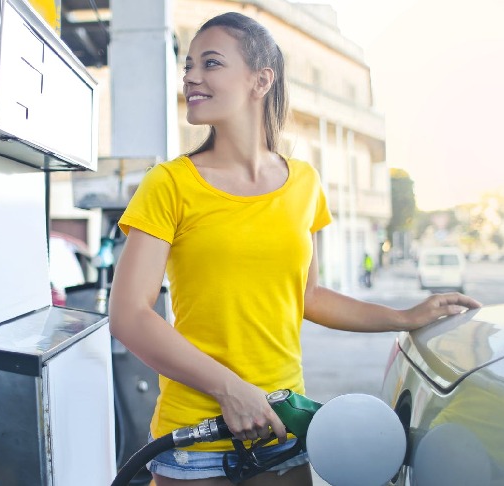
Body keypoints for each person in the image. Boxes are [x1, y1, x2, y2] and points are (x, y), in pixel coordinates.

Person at [108, 11, 481, 485]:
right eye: (188, 66)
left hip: (281, 431)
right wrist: (229, 389)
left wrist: (405, 317)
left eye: (211, 63)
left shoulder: (304, 184)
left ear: (260, 80)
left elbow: (308, 297)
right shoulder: (169, 184)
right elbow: (130, 315)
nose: (191, 77)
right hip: (194, 443)